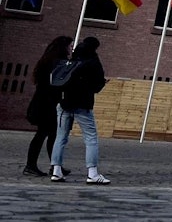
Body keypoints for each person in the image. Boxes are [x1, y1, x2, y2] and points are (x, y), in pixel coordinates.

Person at [49, 36, 110, 185]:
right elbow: (97, 85)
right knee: (91, 138)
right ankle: (92, 173)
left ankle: (56, 170)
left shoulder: (73, 59)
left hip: (65, 103)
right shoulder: (93, 62)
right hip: (83, 104)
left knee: (60, 137)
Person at [23, 36, 73, 177]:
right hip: (48, 104)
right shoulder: (57, 63)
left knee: (50, 135)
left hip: (42, 102)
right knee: (45, 135)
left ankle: (54, 165)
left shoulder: (46, 61)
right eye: (70, 46)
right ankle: (34, 165)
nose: (71, 49)